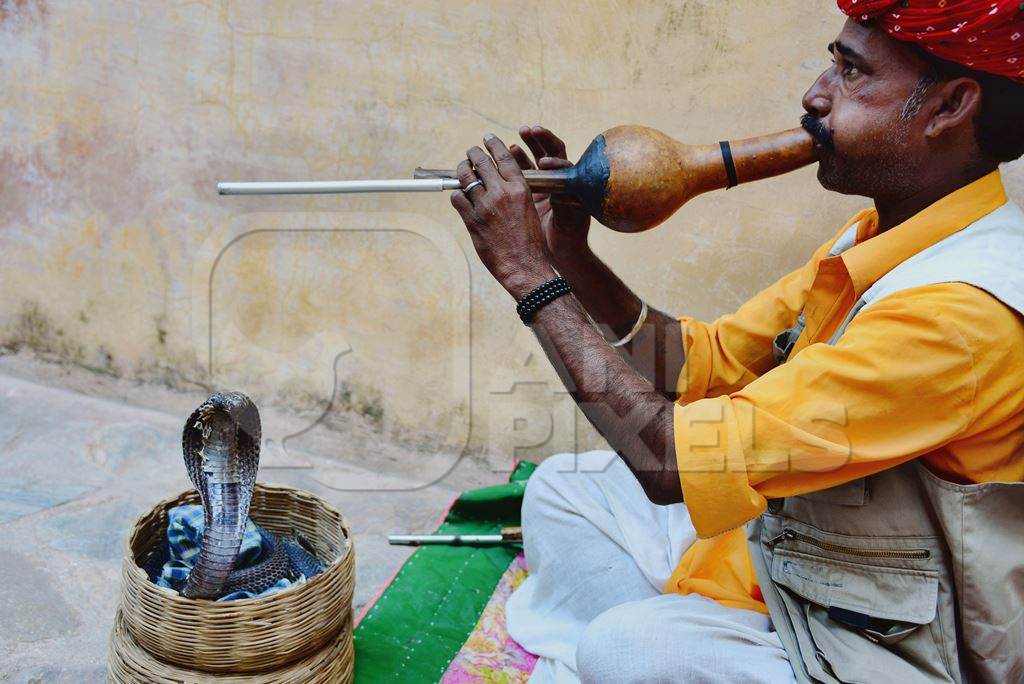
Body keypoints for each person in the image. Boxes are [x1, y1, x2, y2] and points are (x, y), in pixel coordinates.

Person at [448, 2, 1024, 682]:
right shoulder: (879, 240)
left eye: (851, 72)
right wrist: (569, 256)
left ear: (949, 107)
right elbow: (697, 365)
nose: (815, 94)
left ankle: (629, 654)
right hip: (802, 551)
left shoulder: (956, 314)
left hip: (883, 633)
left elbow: (669, 466)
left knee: (632, 648)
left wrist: (528, 275)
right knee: (562, 490)